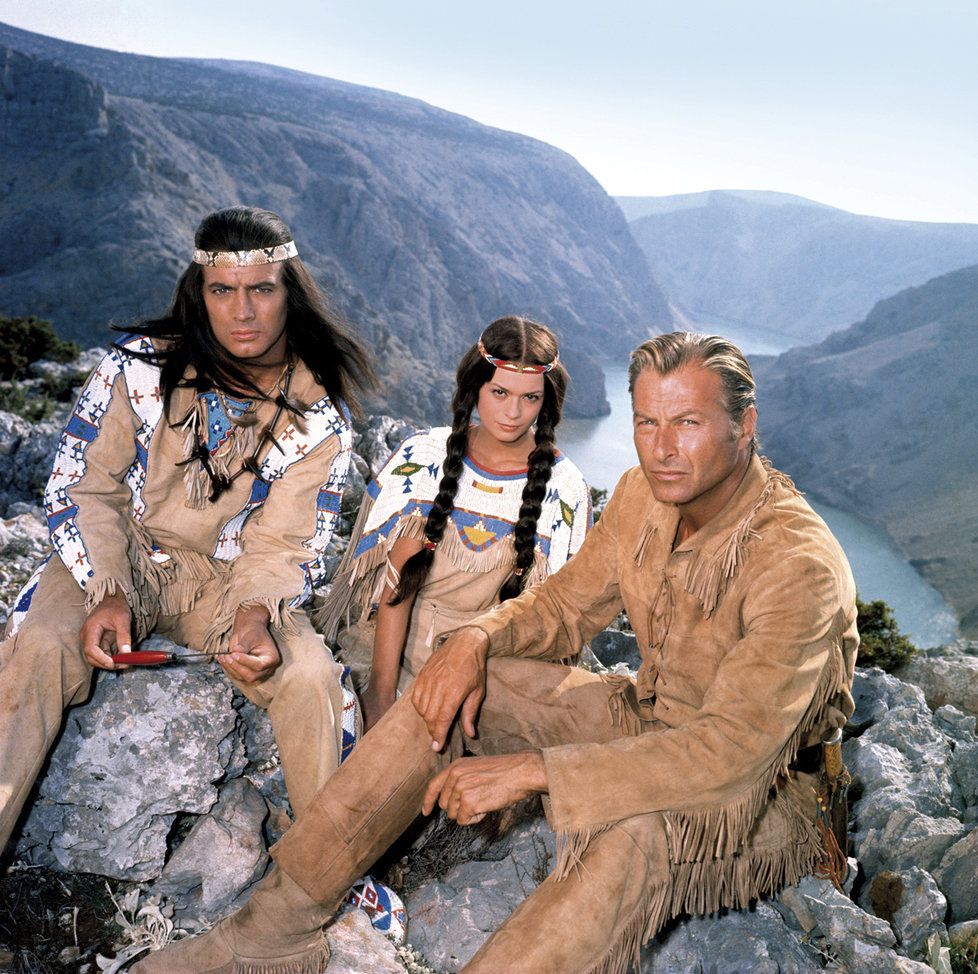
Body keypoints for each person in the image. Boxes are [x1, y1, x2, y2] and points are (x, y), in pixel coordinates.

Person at [134, 332, 858, 974]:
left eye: (688, 424)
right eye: (646, 422)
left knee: (636, 831)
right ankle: (273, 931)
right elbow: (564, 606)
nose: (661, 447)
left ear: (746, 426)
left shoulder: (797, 563)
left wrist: (536, 771)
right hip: (649, 717)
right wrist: (475, 639)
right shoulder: (646, 493)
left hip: (762, 790)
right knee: (462, 680)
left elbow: (730, 754)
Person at [0, 206, 375, 855]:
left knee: (311, 680)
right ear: (198, 294)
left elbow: (284, 542)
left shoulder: (319, 413)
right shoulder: (138, 370)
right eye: (223, 291)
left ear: (290, 291)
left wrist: (256, 615)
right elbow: (86, 484)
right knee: (37, 646)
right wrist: (107, 588)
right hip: (128, 555)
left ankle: (321, 878)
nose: (243, 311)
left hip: (230, 585)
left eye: (262, 288)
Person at [318, 315, 591, 730]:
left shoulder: (564, 489)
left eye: (530, 398)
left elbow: (548, 621)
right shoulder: (423, 458)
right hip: (397, 652)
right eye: (499, 392)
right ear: (474, 387)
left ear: (546, 401)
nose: (514, 412)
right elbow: (396, 590)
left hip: (494, 670)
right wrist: (380, 695)